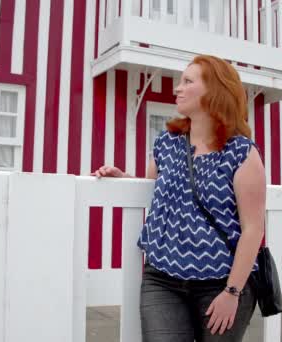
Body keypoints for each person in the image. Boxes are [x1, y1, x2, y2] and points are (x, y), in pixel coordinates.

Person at [92, 54, 266, 341]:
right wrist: (122, 179)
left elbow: (253, 228)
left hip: (221, 282)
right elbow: (154, 188)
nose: (177, 88)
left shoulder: (241, 152)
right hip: (163, 278)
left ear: (215, 90)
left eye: (188, 81)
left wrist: (232, 292)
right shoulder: (166, 142)